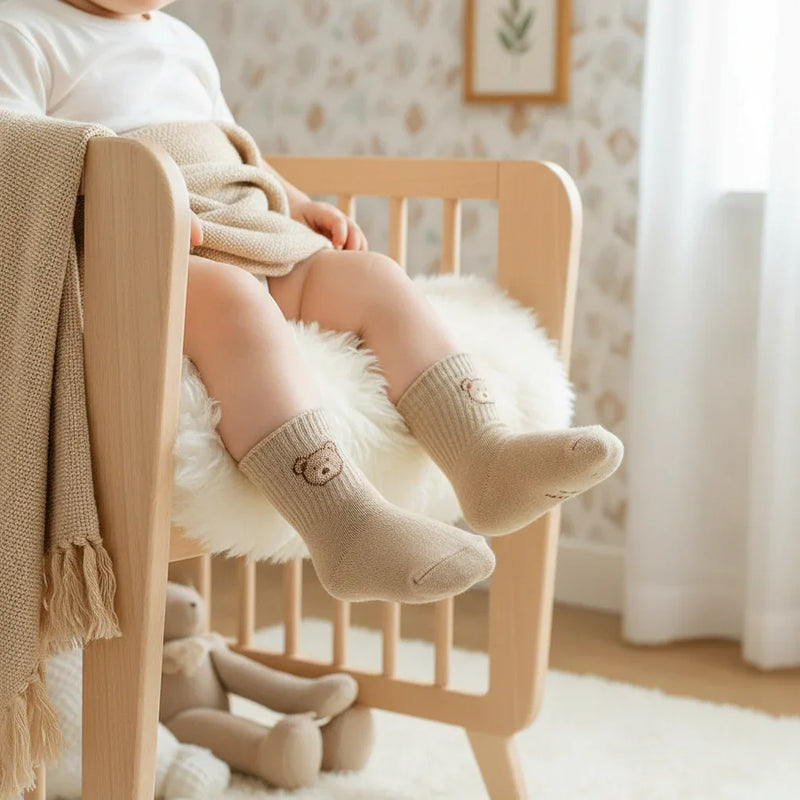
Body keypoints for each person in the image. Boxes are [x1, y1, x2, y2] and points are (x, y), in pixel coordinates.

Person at [0, 0, 623, 604]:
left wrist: (295, 201)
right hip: (141, 260)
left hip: (250, 228)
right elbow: (19, 158)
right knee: (235, 303)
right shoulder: (23, 30)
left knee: (372, 276)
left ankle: (485, 458)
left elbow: (236, 147)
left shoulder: (181, 42)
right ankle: (345, 525)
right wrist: (128, 198)